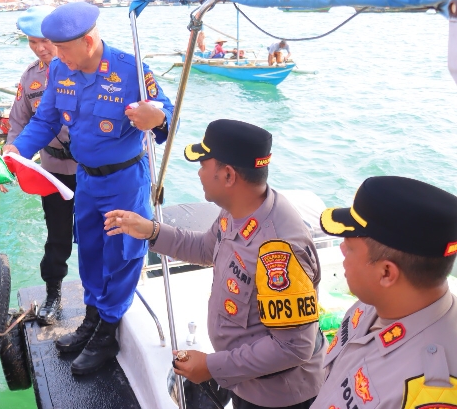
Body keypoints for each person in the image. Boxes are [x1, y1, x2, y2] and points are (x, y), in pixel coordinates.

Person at [3, 1, 175, 375]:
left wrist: (157, 116)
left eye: (63, 47)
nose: (55, 55)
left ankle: (108, 328)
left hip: (124, 180)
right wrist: (18, 149)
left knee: (122, 252)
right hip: (86, 180)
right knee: (91, 251)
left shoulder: (131, 70)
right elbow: (45, 120)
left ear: (88, 39)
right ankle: (93, 317)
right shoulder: (61, 70)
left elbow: (169, 116)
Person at [105, 119, 325, 409]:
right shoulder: (239, 210)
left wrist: (212, 366)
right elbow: (207, 247)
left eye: (204, 164)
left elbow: (294, 346)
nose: (198, 172)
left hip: (276, 397)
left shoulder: (280, 250)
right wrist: (151, 231)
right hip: (244, 376)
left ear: (229, 175)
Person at [311, 176, 457, 409]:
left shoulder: (430, 391)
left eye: (349, 247)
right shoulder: (375, 301)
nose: (341, 249)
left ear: (387, 273)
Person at [7, 5, 78, 326]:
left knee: (100, 235)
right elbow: (18, 121)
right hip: (53, 172)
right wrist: (11, 152)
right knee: (57, 237)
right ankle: (53, 294)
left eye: (45, 41)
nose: (40, 48)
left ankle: (103, 297)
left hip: (90, 172)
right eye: (32, 42)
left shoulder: (81, 68)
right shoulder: (31, 77)